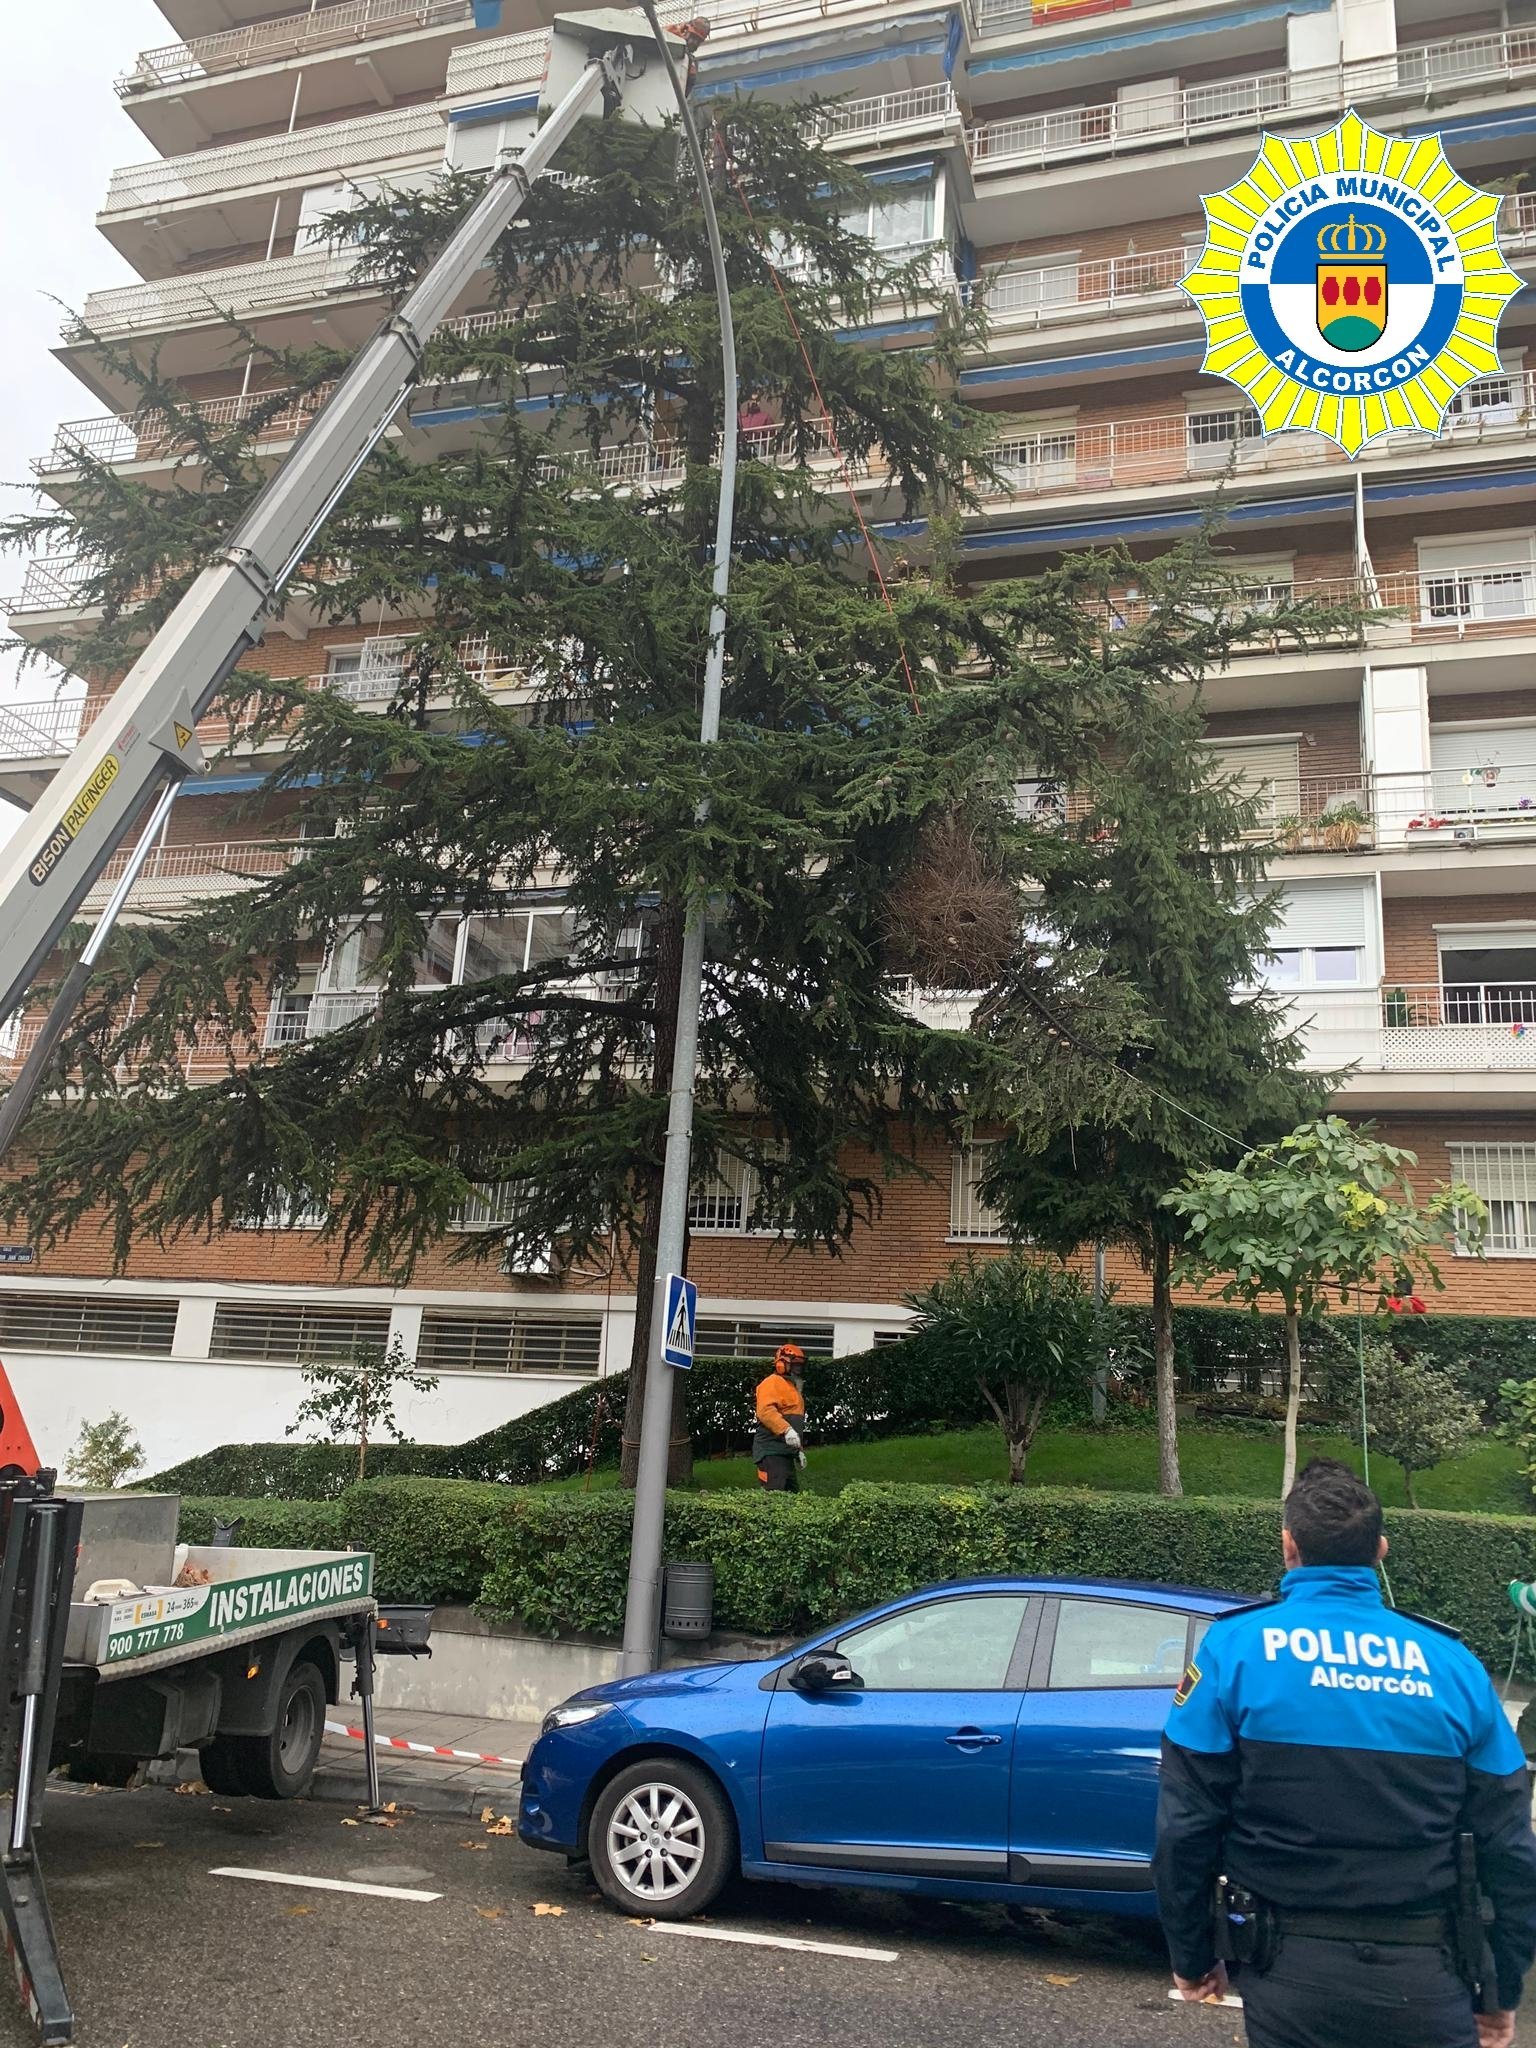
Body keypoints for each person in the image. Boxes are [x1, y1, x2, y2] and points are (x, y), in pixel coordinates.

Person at [1155, 1457, 1536, 2048]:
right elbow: (1510, 1847)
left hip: (1289, 1976)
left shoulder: (1235, 1649)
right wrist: (1499, 1988)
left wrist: (1192, 1954)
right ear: (1380, 1550)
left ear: (1289, 1546)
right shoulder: (1454, 1666)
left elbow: (1185, 1826)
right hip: (1429, 1975)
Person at [753, 1344, 807, 1492]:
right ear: (781, 1363)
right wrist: (786, 1430)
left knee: (792, 1497)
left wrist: (799, 1451)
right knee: (775, 1496)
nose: (798, 1369)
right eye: (795, 1365)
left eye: (800, 1366)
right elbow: (765, 1411)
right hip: (770, 1450)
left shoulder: (792, 1387)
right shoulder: (771, 1383)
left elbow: (794, 1423)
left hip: (785, 1452)